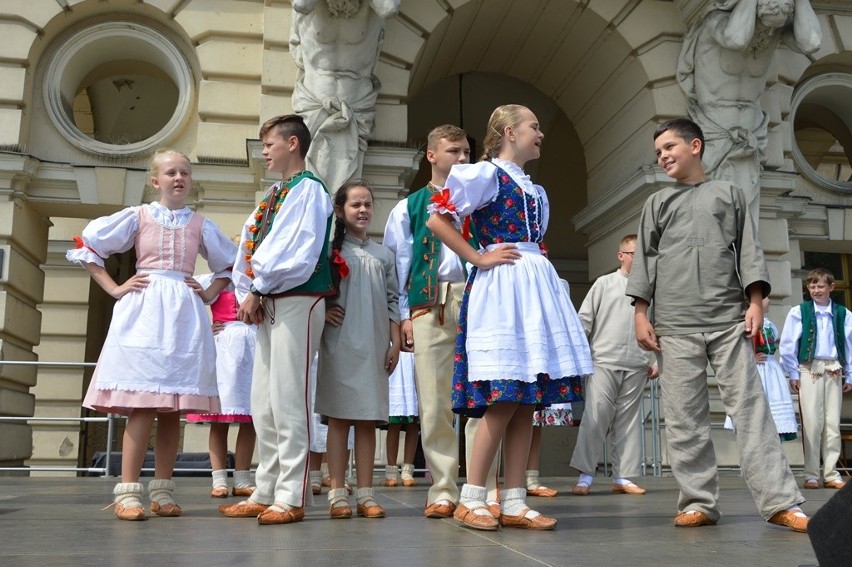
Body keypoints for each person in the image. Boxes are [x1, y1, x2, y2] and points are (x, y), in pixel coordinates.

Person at [626, 117, 808, 532]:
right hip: (674, 325)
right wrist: (640, 313)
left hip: (729, 321)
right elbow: (644, 262)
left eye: (669, 147)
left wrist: (756, 302)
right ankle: (698, 502)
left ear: (695, 145)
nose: (663, 156)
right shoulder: (656, 203)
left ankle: (781, 501)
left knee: (751, 410)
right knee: (684, 417)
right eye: (658, 153)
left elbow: (749, 249)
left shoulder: (730, 193)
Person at [426, 104, 591, 531]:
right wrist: (478, 257)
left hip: (532, 288)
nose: (540, 133)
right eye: (534, 127)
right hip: (502, 288)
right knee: (503, 396)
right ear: (508, 132)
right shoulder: (484, 174)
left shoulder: (531, 187)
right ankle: (472, 496)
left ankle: (515, 499)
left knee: (527, 401)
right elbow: (438, 220)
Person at [67, 149, 236, 521]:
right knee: (143, 404)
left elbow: (231, 263)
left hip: (184, 316)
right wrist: (113, 287)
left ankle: (162, 490)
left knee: (173, 408)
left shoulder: (200, 223)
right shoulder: (139, 216)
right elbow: (88, 247)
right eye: (171, 172)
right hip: (144, 311)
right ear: (155, 180)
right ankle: (128, 492)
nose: (179, 178)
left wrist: (209, 292)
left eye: (185, 173)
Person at [219, 114, 335, 525]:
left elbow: (296, 251)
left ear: (292, 143)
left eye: (269, 144)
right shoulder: (275, 194)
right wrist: (248, 289)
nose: (264, 151)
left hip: (296, 299)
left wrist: (259, 287)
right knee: (263, 399)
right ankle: (266, 487)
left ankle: (292, 494)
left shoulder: (308, 190)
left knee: (289, 396)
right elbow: (248, 248)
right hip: (271, 298)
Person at [382, 124, 499, 520]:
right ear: (432, 155)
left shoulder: (481, 202)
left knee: (480, 394)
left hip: (476, 299)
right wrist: (402, 318)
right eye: (454, 151)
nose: (463, 158)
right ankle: (443, 487)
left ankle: (481, 486)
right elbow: (400, 264)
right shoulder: (410, 206)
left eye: (466, 152)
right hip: (429, 303)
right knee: (433, 401)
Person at [676, 0, 821, 226]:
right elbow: (736, 39)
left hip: (751, 136)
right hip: (715, 132)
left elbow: (812, 43)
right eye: (767, 24)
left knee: (744, 221)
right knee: (714, 216)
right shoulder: (717, 23)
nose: (771, 31)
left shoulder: (772, 32)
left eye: (776, 27)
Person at [316, 180, 401, 519]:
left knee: (367, 419)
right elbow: (313, 290)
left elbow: (394, 300)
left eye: (367, 204)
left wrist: (394, 340)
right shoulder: (329, 252)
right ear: (340, 210)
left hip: (375, 342)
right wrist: (323, 311)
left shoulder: (384, 254)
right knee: (339, 418)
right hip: (339, 343)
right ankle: (337, 492)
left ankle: (366, 493)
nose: (363, 210)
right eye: (356, 205)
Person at [570, 235, 658, 496]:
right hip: (604, 360)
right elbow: (583, 321)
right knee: (595, 417)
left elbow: (659, 328)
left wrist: (656, 361)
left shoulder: (651, 288)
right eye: (633, 254)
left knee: (629, 423)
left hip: (638, 363)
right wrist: (576, 356)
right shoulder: (604, 283)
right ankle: (586, 474)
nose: (637, 259)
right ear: (621, 255)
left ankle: (624, 476)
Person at [290, 0, 401, 194]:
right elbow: (301, 4)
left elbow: (389, 8)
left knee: (348, 188)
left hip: (357, 106)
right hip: (314, 102)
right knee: (309, 183)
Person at [186, 254, 258, 499]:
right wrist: (206, 327)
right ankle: (219, 480)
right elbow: (185, 299)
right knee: (219, 418)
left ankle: (242, 478)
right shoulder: (215, 281)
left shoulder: (258, 282)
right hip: (224, 350)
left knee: (251, 418)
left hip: (254, 348)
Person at [779, 268, 852, 490]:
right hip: (809, 368)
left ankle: (831, 473)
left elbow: (849, 347)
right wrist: (792, 373)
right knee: (812, 422)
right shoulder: (798, 312)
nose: (815, 290)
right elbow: (788, 345)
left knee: (832, 423)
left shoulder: (843, 314)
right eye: (812, 286)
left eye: (820, 286)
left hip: (833, 368)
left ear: (831, 287)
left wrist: (850, 373)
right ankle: (811, 473)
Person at [723, 296, 798, 442]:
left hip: (771, 369)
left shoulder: (768, 323)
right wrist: (752, 357)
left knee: (774, 405)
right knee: (757, 405)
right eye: (765, 298)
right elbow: (738, 345)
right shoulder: (747, 322)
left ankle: (775, 441)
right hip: (758, 369)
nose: (769, 301)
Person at [382, 351, 420, 487]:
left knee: (413, 423)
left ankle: (407, 471)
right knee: (394, 423)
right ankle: (391, 471)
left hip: (414, 359)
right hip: (397, 362)